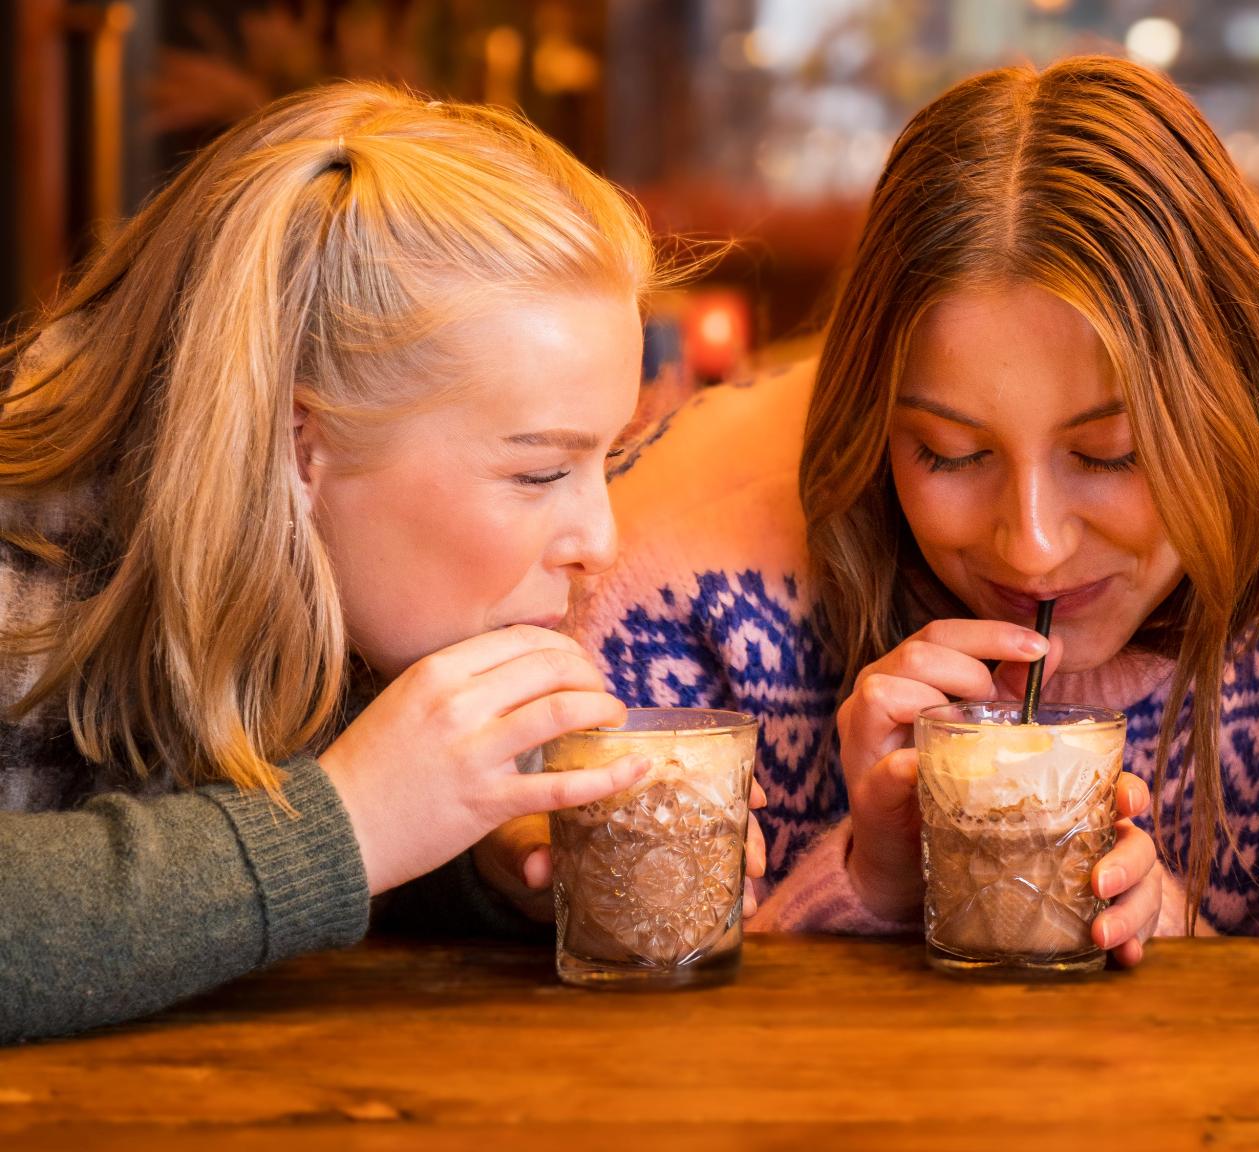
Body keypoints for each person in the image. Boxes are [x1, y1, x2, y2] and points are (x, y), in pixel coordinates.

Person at [573, 56, 1259, 948]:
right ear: (870, 412)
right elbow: (615, 1030)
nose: (1032, 547)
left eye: (1110, 455)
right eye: (951, 454)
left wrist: (1173, 938)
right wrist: (874, 885)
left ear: (1236, 401)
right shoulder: (673, 591)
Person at [0, 82, 743, 1041]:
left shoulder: (335, 587)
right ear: (301, 446)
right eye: (538, 472)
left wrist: (480, 864)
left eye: (603, 460)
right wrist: (342, 827)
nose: (598, 542)